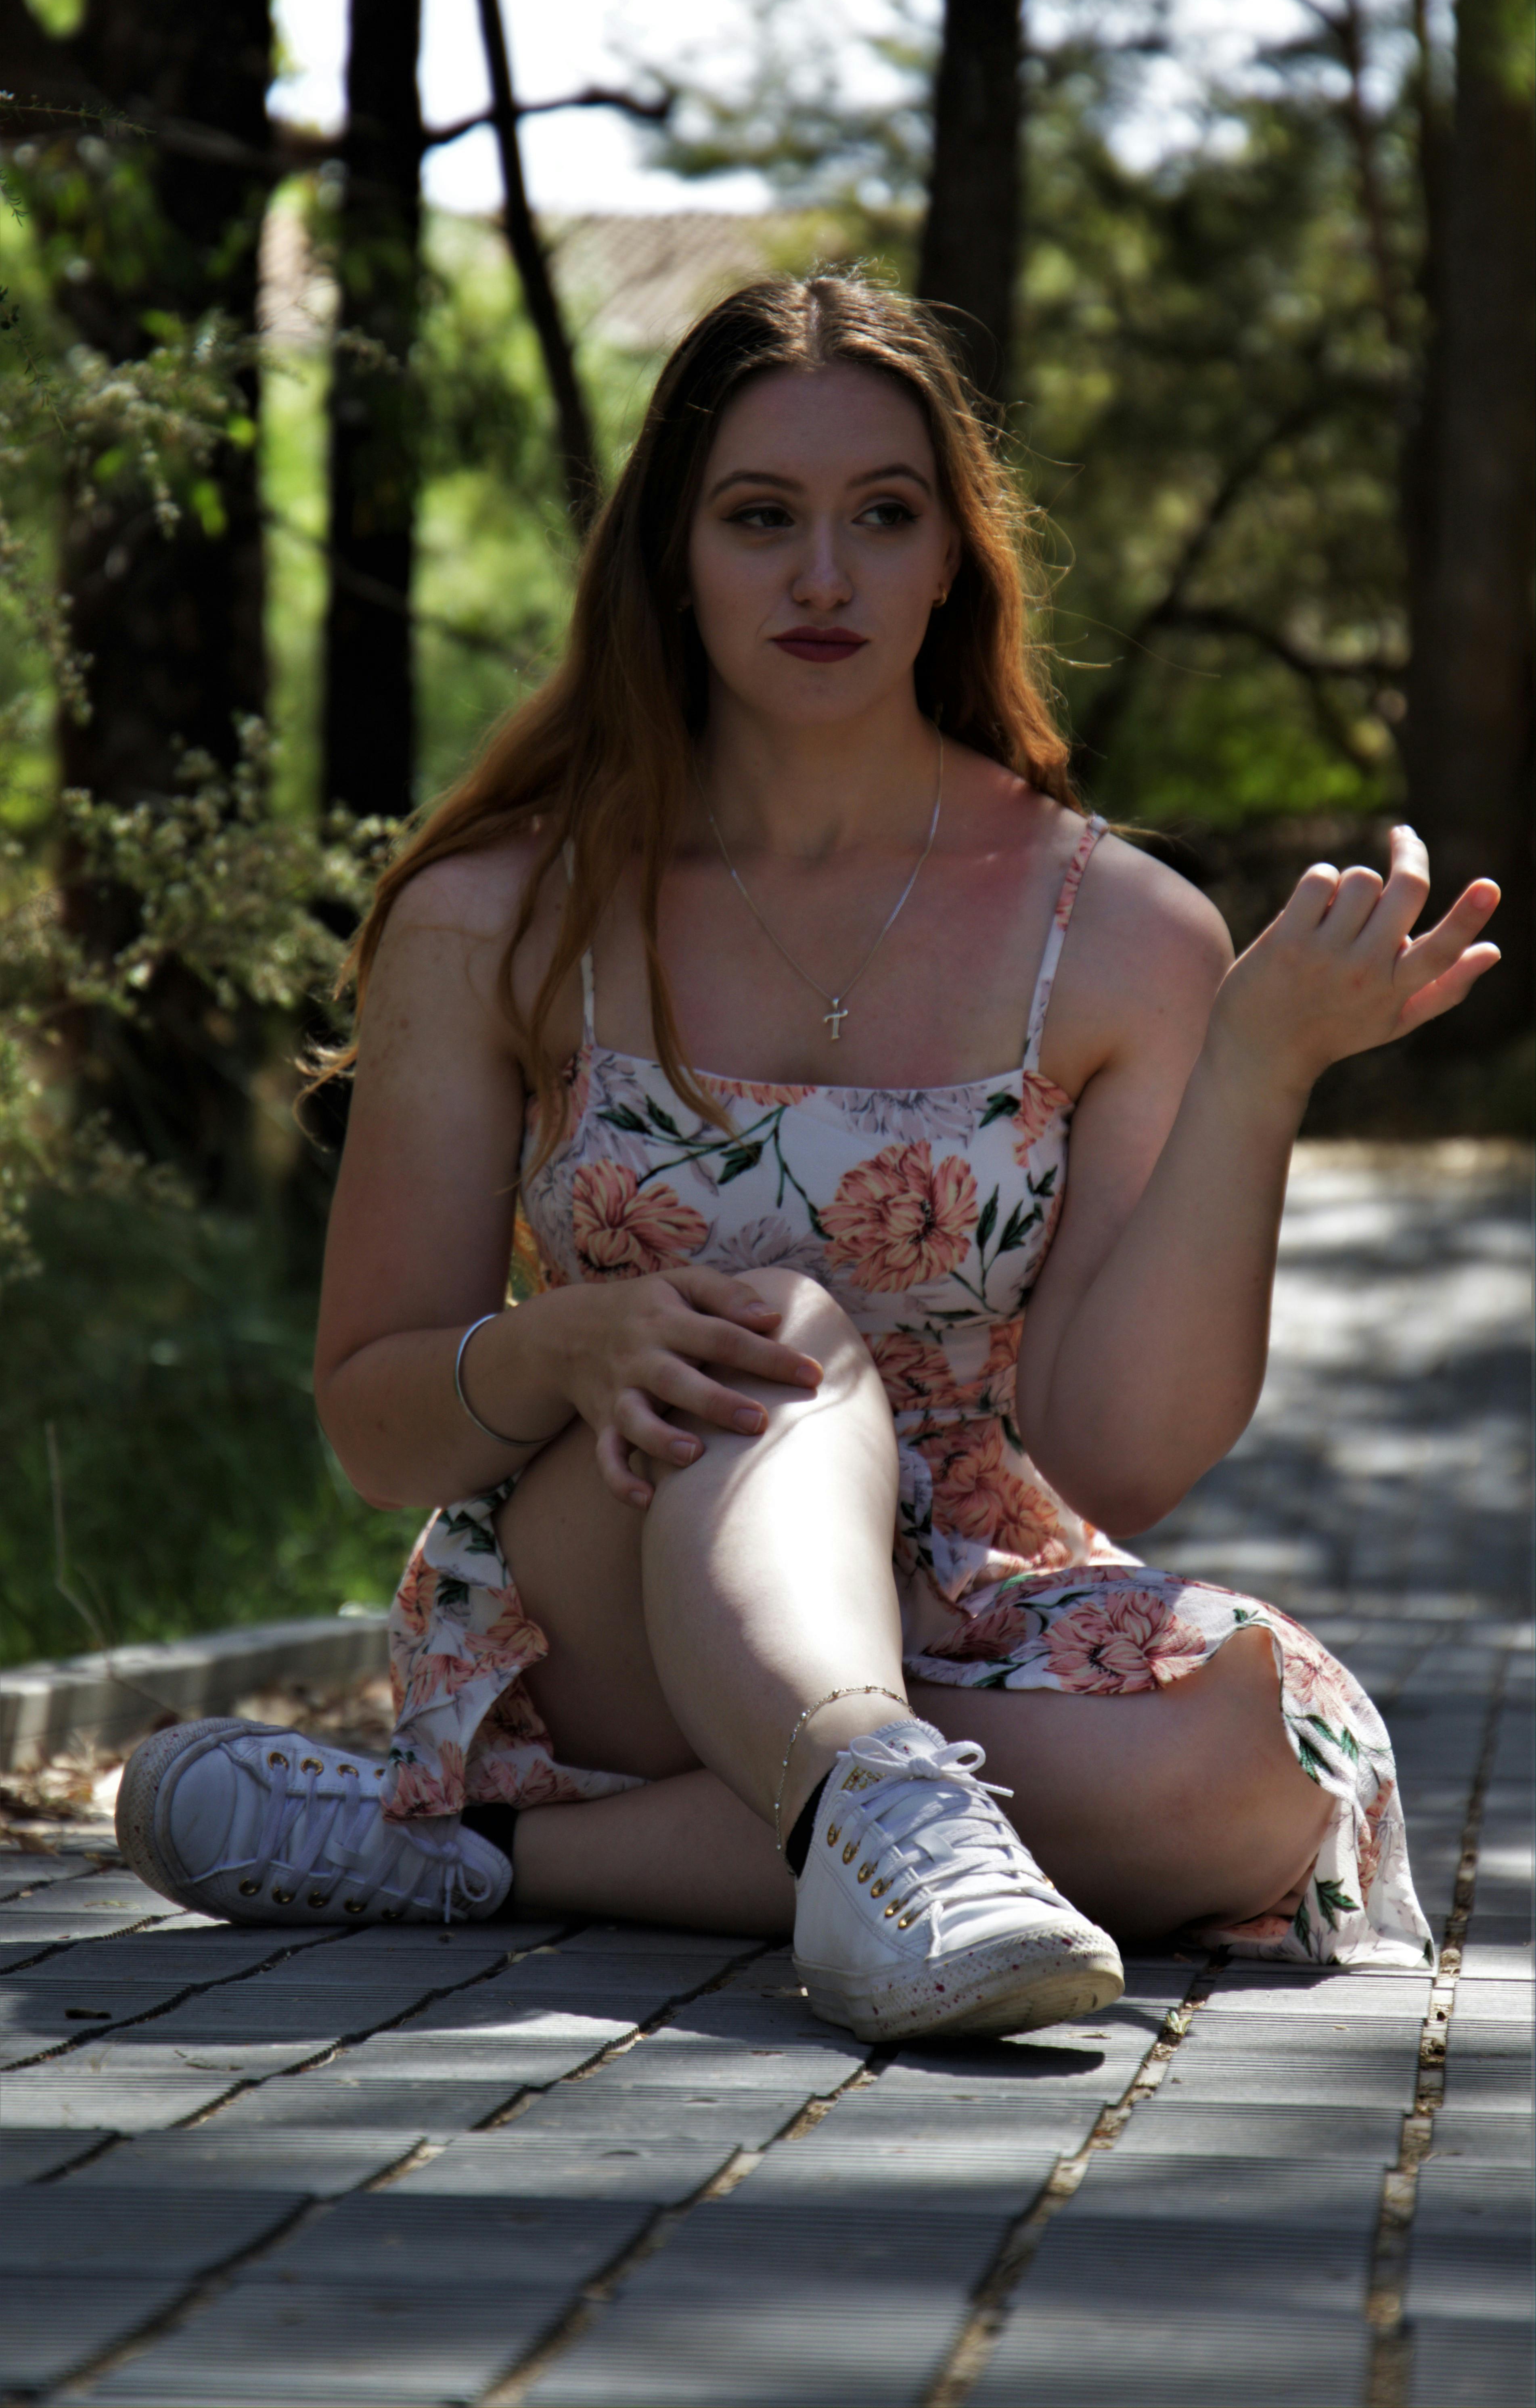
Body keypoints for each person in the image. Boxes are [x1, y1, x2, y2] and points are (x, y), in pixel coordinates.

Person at [118, 275, 1499, 2042]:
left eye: (884, 516)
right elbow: (378, 1418)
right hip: (613, 1573)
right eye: (762, 517)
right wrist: (562, 1346)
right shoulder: (500, 916)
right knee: (771, 1337)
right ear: (673, 558)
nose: (825, 576)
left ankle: (483, 1851)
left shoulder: (1123, 932)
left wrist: (1257, 1069)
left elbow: (1117, 1457)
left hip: (958, 1602)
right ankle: (878, 1802)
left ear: (954, 563)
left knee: (1270, 1766)